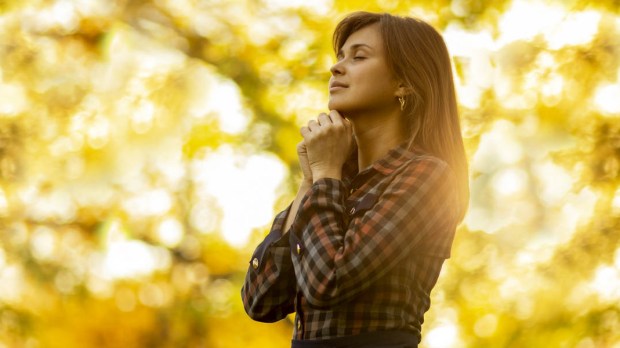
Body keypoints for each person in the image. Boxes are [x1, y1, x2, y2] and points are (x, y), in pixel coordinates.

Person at [241, 11, 469, 348]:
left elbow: (328, 283)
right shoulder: (332, 181)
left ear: (403, 82)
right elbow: (261, 299)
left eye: (359, 56)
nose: (336, 68)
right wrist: (311, 180)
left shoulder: (427, 176)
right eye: (340, 57)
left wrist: (325, 177)